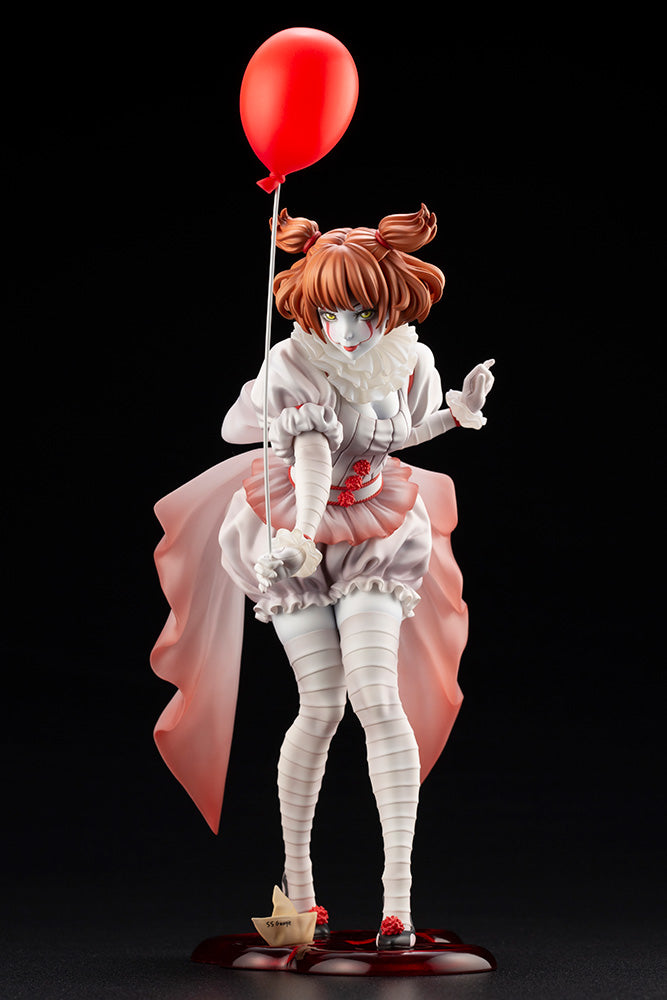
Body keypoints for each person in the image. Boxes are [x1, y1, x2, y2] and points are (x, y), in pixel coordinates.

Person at [151, 204, 495, 949]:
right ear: (310, 308)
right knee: (320, 706)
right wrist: (300, 539)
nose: (347, 328)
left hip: (374, 528)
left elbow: (395, 435)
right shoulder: (294, 364)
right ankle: (302, 894)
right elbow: (310, 461)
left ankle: (398, 902)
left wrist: (455, 415)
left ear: (390, 303)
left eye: (363, 311)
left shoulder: (408, 359)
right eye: (332, 311)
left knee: (378, 699)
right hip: (292, 529)